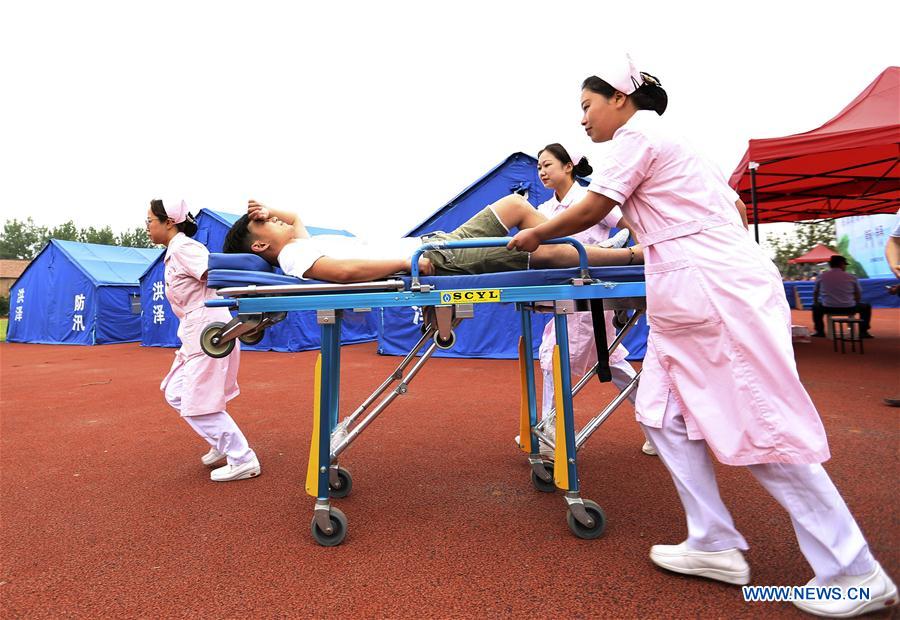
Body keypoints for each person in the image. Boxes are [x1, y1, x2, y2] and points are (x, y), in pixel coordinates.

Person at [507, 54, 895, 617]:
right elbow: (732, 211)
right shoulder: (672, 148)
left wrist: (532, 235)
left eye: (587, 107)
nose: (583, 121)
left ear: (620, 99)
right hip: (689, 288)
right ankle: (713, 541)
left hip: (711, 289)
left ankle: (852, 569)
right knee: (659, 411)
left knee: (759, 418)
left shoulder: (638, 136)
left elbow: (594, 208)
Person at [516, 143, 653, 457]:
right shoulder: (546, 211)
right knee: (614, 365)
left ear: (568, 167)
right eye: (538, 167)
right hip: (567, 296)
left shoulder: (591, 201)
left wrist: (639, 254)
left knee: (554, 357)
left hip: (591, 292)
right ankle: (662, 430)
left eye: (547, 165)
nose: (542, 172)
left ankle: (553, 434)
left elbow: (632, 227)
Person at [221, 196, 643, 281]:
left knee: (533, 236)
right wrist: (405, 264)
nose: (277, 222)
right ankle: (626, 255)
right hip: (437, 258)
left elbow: (294, 215)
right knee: (544, 251)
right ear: (260, 245)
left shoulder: (296, 241)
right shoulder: (294, 256)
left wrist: (266, 211)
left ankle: (605, 250)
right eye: (267, 226)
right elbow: (344, 271)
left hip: (436, 244)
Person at [147, 199, 261, 482]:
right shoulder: (174, 253)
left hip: (208, 330)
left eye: (149, 221)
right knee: (175, 391)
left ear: (169, 222)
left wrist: (253, 294)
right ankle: (221, 444)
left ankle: (242, 458)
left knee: (197, 401)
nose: (146, 227)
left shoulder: (185, 248)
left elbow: (218, 274)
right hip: (194, 333)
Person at [811, 255, 872, 338]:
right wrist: (855, 303)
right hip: (849, 307)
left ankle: (820, 331)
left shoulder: (821, 277)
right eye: (845, 265)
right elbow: (858, 294)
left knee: (816, 307)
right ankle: (863, 332)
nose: (845, 267)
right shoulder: (851, 277)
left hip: (828, 307)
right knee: (866, 307)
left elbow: (815, 293)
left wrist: (816, 302)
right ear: (841, 264)